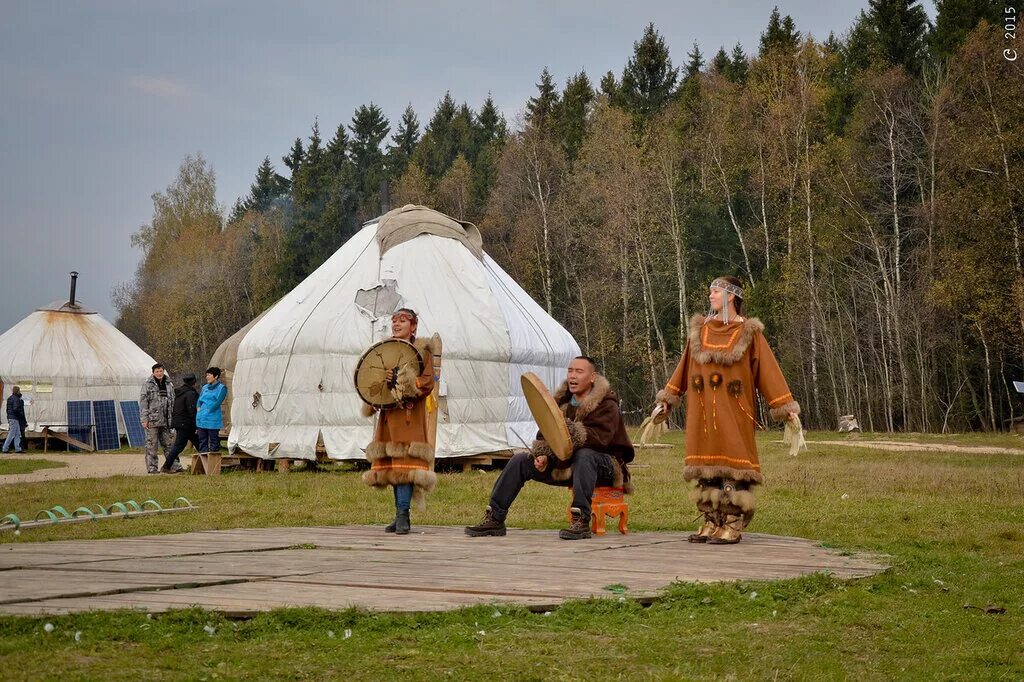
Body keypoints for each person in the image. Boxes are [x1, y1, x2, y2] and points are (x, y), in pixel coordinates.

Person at [654, 276, 800, 545]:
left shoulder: (749, 333)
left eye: (715, 291)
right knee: (706, 467)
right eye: (710, 291)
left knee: (733, 466)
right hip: (702, 412)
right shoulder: (701, 330)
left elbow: (767, 370)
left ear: (731, 296)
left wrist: (783, 406)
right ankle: (712, 520)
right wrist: (669, 398)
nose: (710, 295)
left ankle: (733, 521)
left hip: (734, 410)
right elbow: (684, 367)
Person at [465, 356, 635, 540]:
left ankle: (581, 521)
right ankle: (495, 518)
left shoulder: (607, 404)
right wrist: (545, 455)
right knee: (520, 460)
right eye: (570, 371)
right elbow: (546, 434)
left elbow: (599, 439)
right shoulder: (561, 402)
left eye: (579, 371)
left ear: (592, 377)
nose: (573, 376)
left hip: (606, 466)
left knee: (585, 455)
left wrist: (567, 428)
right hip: (567, 464)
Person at [360, 308, 436, 535]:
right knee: (393, 467)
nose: (396, 324)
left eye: (402, 320)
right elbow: (372, 380)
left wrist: (404, 382)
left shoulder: (422, 351)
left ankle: (404, 515)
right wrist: (380, 389)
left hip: (408, 417)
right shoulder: (385, 351)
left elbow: (427, 381)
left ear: (413, 326)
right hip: (389, 415)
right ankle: (399, 514)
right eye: (394, 321)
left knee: (405, 466)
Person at [139, 363, 175, 474]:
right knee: (152, 445)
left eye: (161, 371)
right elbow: (144, 403)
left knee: (170, 444)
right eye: (157, 371)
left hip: (166, 420)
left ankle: (173, 465)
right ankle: (152, 467)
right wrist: (144, 419)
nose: (159, 373)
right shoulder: (147, 385)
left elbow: (173, 401)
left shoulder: (169, 384)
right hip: (153, 420)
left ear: (163, 371)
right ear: (153, 373)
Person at [162, 373, 200, 473]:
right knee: (179, 446)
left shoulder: (179, 392)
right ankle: (166, 466)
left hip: (180, 422)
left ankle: (207, 464)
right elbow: (191, 410)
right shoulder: (190, 393)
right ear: (193, 382)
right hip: (186, 423)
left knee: (199, 443)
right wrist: (196, 424)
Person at [196, 367, 227, 454]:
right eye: (207, 375)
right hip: (202, 417)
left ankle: (213, 463)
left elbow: (218, 402)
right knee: (202, 441)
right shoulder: (205, 387)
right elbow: (199, 399)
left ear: (216, 376)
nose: (207, 377)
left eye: (209, 375)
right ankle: (203, 462)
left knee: (213, 441)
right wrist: (198, 408)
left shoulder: (222, 388)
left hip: (212, 417)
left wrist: (209, 410)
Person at [3, 386, 26, 453]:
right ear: (18, 391)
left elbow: (7, 409)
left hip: (11, 417)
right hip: (14, 418)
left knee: (17, 434)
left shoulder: (10, 398)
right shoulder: (16, 399)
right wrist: (20, 414)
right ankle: (5, 448)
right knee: (11, 433)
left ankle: (18, 448)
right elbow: (15, 409)